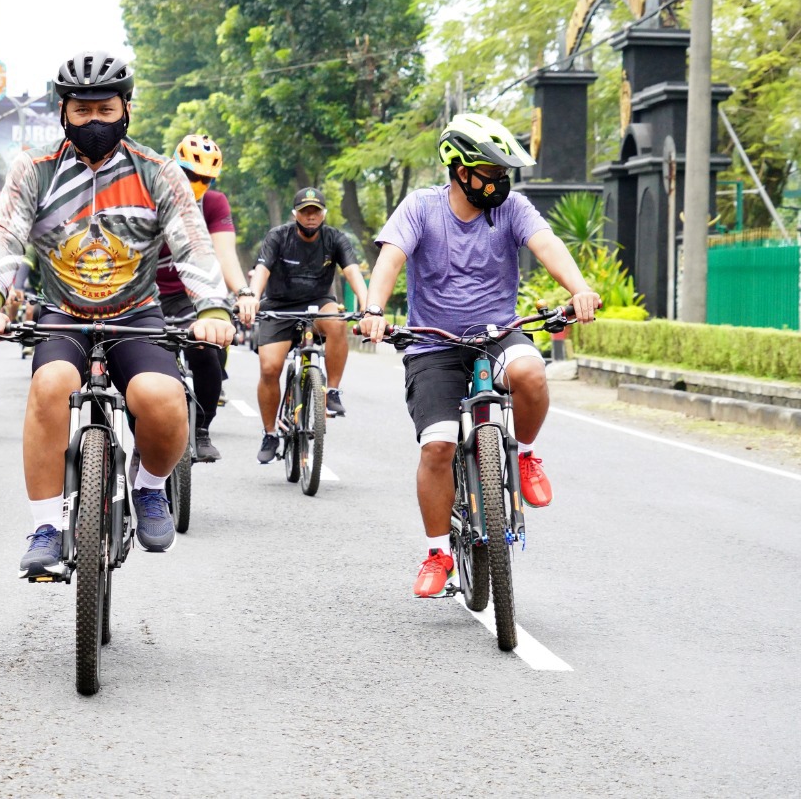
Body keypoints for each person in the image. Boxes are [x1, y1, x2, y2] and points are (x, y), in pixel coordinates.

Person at [0, 51, 234, 577]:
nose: (93, 122)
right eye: (81, 111)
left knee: (161, 396)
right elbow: (5, 237)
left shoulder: (158, 173)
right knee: (50, 384)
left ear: (126, 108)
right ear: (63, 112)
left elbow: (194, 246)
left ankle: (150, 488)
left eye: (104, 109)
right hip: (61, 314)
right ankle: (45, 525)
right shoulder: (34, 170)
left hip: (136, 313)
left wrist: (213, 308)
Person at [359, 112, 601, 597]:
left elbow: (547, 243)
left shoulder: (512, 210)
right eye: (489, 172)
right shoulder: (420, 208)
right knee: (438, 446)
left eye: (502, 173)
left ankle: (527, 456)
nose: (499, 182)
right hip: (435, 344)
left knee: (531, 373)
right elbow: (390, 257)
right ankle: (437, 554)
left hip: (498, 333)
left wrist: (579, 288)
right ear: (461, 171)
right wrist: (373, 309)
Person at [155, 133, 257, 462]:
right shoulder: (150, 193)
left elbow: (225, 254)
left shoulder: (214, 203)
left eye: (206, 179)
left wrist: (243, 293)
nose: (198, 184)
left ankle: (201, 430)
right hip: (147, 295)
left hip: (191, 296)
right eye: (190, 175)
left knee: (205, 351)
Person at [246, 187, 367, 464]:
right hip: (279, 306)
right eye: (305, 211)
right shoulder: (278, 236)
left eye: (316, 211)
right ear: (295, 214)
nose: (311, 217)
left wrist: (369, 306)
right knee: (269, 367)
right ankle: (270, 433)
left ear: (323, 213)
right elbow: (262, 270)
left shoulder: (335, 238)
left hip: (318, 302)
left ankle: (332, 391)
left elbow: (353, 273)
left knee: (336, 323)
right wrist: (251, 298)